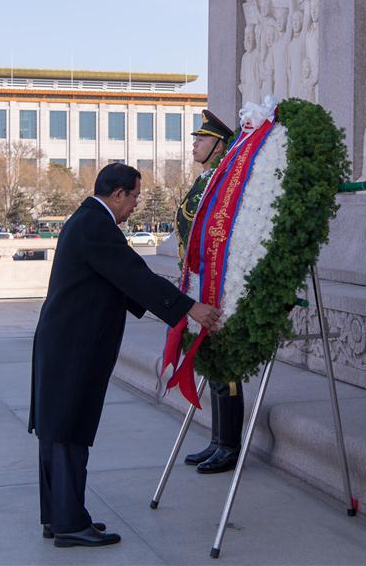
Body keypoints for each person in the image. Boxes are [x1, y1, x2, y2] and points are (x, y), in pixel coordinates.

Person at [29, 163, 222, 548]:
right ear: (118, 194)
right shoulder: (95, 225)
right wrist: (189, 308)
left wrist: (172, 306)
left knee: (59, 430)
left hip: (66, 342)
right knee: (68, 430)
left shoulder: (88, 220)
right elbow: (134, 275)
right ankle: (69, 524)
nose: (135, 204)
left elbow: (122, 281)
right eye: (135, 196)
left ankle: (60, 516)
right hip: (74, 346)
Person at [175, 110, 245, 475]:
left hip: (219, 288)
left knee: (226, 368)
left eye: (201, 139)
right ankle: (218, 440)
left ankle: (230, 445)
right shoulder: (203, 182)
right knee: (212, 366)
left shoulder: (224, 185)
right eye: (195, 139)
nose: (195, 144)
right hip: (199, 286)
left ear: (220, 146)